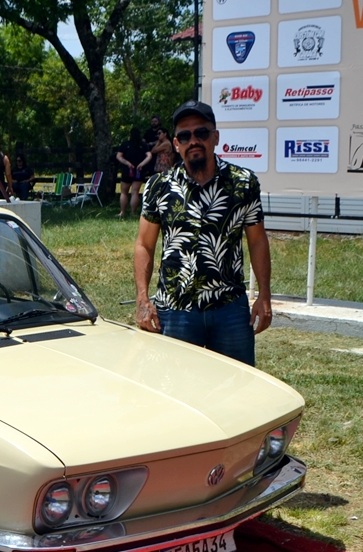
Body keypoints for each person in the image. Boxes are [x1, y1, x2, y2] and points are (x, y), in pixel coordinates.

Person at [133, 99, 272, 366]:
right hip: (176, 310)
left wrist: (264, 294)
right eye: (185, 136)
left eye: (201, 133)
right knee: (177, 386)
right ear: (176, 144)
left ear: (215, 137)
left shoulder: (243, 183)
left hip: (229, 308)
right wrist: (142, 297)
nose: (193, 141)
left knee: (236, 384)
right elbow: (144, 245)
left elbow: (257, 241)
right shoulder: (159, 186)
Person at [115, 126, 153, 219]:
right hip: (139, 170)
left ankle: (122, 212)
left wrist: (127, 163)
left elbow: (119, 156)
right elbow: (149, 156)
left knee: (124, 192)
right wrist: (142, 164)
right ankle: (133, 212)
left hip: (127, 170)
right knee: (135, 192)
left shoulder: (125, 144)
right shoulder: (144, 145)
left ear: (130, 134)